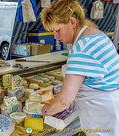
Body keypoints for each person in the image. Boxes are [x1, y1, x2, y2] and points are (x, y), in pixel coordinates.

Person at [40, 0, 119, 135]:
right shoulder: (94, 33)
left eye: (57, 30)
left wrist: (47, 110)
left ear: (72, 22)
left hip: (101, 114)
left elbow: (64, 101)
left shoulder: (81, 49)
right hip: (109, 105)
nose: (55, 36)